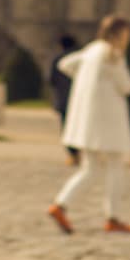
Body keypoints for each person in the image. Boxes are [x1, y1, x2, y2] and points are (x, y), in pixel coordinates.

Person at [47, 15, 130, 235]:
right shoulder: (113, 55)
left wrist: (85, 80)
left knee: (90, 169)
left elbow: (65, 64)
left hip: (88, 121)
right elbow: (127, 86)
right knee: (115, 167)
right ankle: (113, 217)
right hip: (108, 122)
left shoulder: (92, 50)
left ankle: (60, 204)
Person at [48, 34, 80, 167]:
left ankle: (72, 154)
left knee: (66, 128)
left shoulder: (58, 59)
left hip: (64, 99)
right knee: (79, 126)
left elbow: (52, 80)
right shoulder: (80, 57)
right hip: (79, 99)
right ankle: (79, 152)